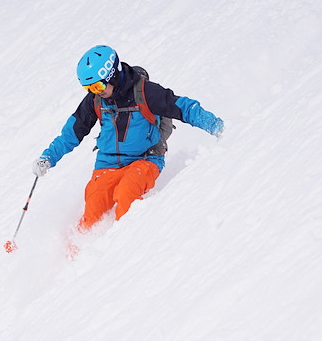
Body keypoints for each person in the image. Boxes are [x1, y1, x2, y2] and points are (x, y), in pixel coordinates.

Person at [32, 45, 224, 231]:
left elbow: (183, 107)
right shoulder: (96, 99)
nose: (96, 92)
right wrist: (48, 157)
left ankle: (123, 250)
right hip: (107, 163)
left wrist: (215, 126)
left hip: (145, 159)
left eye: (98, 85)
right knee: (92, 213)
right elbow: (71, 133)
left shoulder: (145, 92)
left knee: (126, 194)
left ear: (113, 75)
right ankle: (77, 258)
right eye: (89, 88)